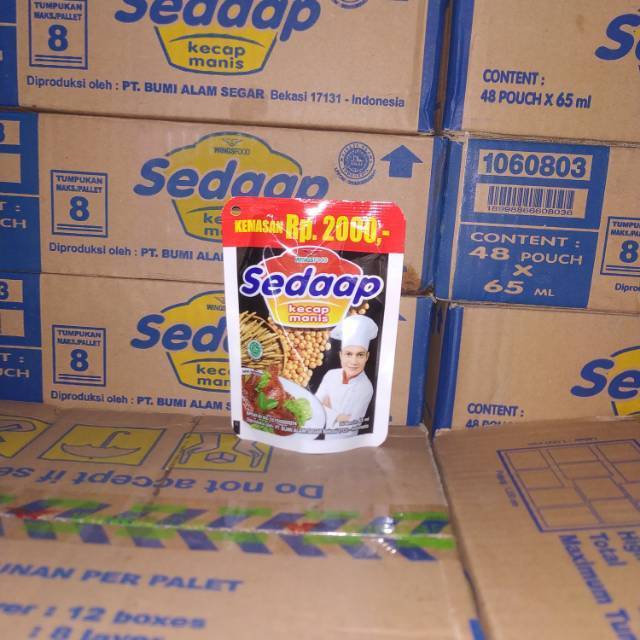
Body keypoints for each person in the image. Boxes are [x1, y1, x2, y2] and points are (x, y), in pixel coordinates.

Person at [315, 314, 378, 431]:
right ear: (341, 355)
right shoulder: (330, 375)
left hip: (349, 440)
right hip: (322, 437)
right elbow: (314, 407)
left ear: (367, 356)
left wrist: (326, 408)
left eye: (360, 355)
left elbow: (348, 425)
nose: (353, 361)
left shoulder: (366, 387)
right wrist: (337, 416)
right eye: (348, 354)